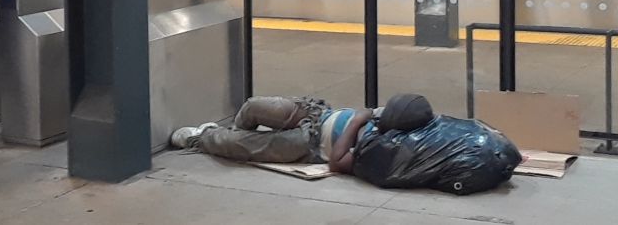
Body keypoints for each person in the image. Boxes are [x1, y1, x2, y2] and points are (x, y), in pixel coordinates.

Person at [171, 93, 433, 174]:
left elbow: (337, 162)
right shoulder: (389, 117)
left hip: (310, 146)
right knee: (255, 106)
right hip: (318, 116)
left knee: (238, 144)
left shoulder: (387, 149)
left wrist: (356, 123)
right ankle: (240, 135)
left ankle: (203, 138)